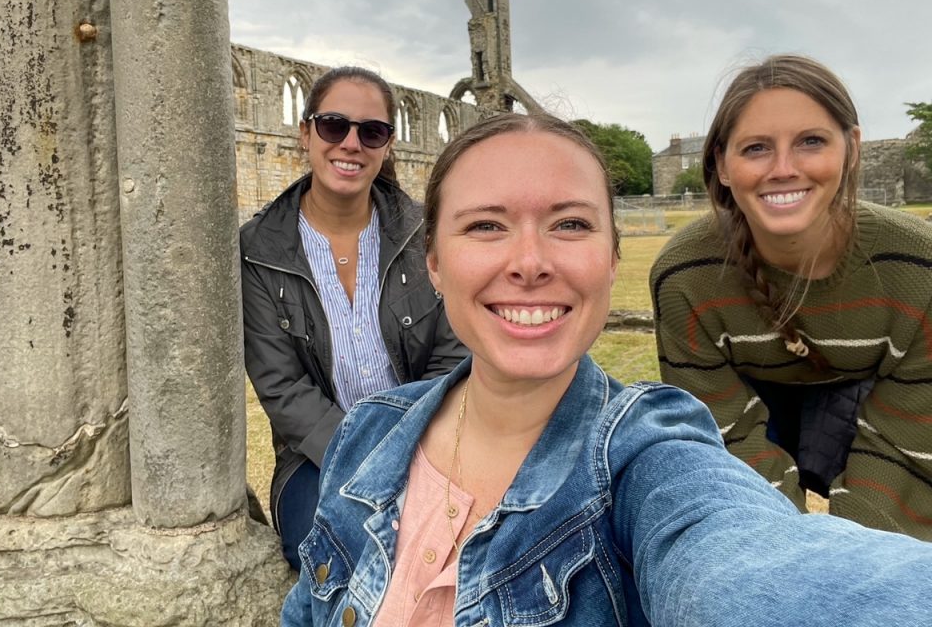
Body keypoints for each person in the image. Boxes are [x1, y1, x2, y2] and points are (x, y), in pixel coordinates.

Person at [282, 112, 932, 627]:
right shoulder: (370, 432)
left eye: (569, 223)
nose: (529, 261)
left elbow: (742, 562)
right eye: (485, 225)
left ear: (612, 259)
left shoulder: (647, 459)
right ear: (433, 263)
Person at [651, 54, 932, 540]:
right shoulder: (686, 276)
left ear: (851, 148)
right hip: (756, 401)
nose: (783, 169)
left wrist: (855, 558)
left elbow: (905, 446)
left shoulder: (918, 267)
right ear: (721, 164)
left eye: (811, 141)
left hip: (863, 395)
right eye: (756, 148)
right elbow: (726, 434)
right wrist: (787, 550)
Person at [239, 66, 465, 570]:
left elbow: (453, 354)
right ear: (305, 133)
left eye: (372, 131)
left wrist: (409, 446)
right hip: (317, 461)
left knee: (462, 554)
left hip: (430, 444)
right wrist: (366, 458)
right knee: (343, 557)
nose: (351, 144)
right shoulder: (258, 248)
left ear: (388, 144)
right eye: (333, 126)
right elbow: (281, 387)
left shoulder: (424, 234)